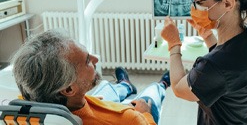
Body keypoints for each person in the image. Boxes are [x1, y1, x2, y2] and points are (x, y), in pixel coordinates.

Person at [11, 29, 170, 125]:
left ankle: (125, 84)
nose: (96, 59)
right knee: (149, 96)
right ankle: (162, 84)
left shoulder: (19, 112)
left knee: (107, 88)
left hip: (90, 103)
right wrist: (145, 114)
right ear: (68, 89)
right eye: (87, 61)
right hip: (134, 113)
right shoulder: (129, 120)